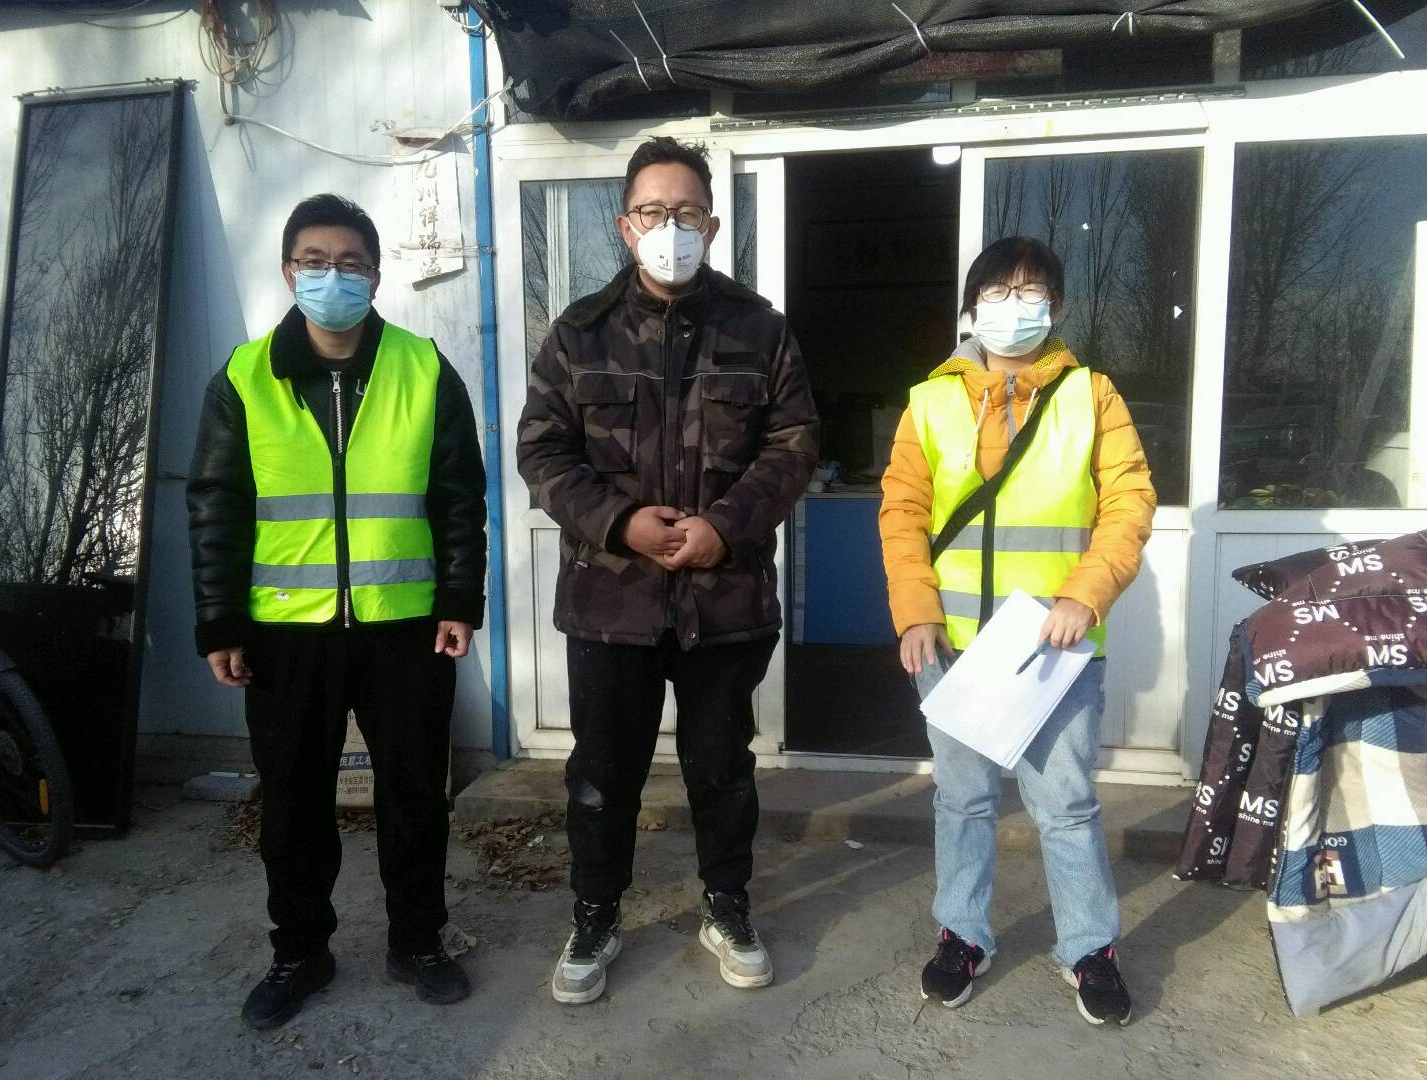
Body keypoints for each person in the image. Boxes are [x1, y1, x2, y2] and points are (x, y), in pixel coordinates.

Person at [517, 136, 819, 1005]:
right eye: (652, 211)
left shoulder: (760, 330)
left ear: (713, 225)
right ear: (624, 225)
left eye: (686, 212)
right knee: (601, 776)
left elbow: (794, 445)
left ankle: (727, 906)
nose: (669, 227)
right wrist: (622, 524)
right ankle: (595, 914)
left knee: (722, 770)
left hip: (724, 600)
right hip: (610, 602)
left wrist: (724, 527)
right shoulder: (578, 333)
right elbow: (542, 451)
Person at [187, 194, 487, 1029]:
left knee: (414, 796)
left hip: (406, 627)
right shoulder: (245, 378)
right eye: (315, 261)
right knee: (292, 804)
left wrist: (460, 599)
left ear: (376, 275)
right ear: (289, 272)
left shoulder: (423, 368)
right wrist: (221, 622)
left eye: (351, 262)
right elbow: (215, 506)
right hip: (285, 636)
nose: (333, 276)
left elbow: (460, 495)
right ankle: (299, 953)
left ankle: (418, 942)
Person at [878, 236, 1155, 1026]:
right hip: (954, 644)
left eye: (1030, 292)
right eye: (997, 292)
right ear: (972, 308)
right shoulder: (929, 401)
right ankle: (963, 934)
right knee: (962, 800)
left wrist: (1085, 597)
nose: (1013, 306)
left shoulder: (1092, 395)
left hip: (1054, 648)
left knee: (1066, 804)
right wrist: (915, 609)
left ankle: (1089, 948)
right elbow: (901, 511)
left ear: (1056, 307)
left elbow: (1129, 503)